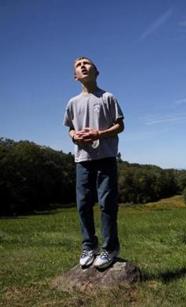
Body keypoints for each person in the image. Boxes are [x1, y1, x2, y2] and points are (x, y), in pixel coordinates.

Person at [64, 56, 125, 269]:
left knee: (107, 204)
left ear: (96, 71)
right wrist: (74, 137)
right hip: (82, 160)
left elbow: (120, 126)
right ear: (75, 76)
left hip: (106, 158)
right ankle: (89, 246)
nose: (83, 66)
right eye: (78, 66)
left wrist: (99, 133)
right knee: (83, 205)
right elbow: (69, 128)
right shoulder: (72, 103)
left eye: (86, 63)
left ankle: (110, 248)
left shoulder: (107, 97)